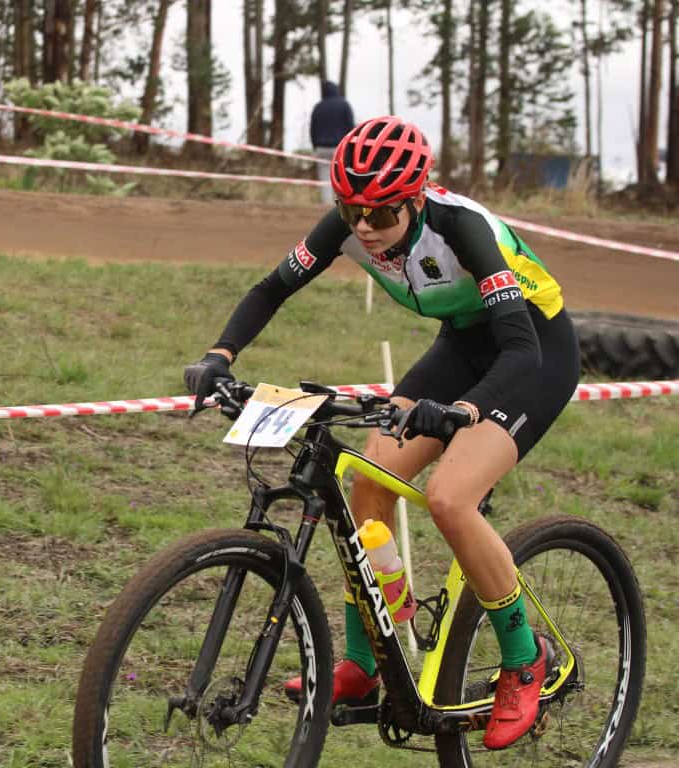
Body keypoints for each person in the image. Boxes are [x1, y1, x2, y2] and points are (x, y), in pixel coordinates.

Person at [183, 116, 580, 751]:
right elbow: (271, 288)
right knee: (368, 482)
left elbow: (521, 351)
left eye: (382, 213)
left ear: (416, 200)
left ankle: (523, 657)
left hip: (531, 349)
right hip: (462, 344)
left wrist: (464, 411)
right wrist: (219, 356)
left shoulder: (463, 230)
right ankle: (367, 663)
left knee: (450, 497)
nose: (365, 227)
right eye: (352, 210)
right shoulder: (348, 224)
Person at [309, 80, 354, 204]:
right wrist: (350, 147)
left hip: (321, 148)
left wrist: (315, 146)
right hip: (340, 148)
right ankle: (340, 206)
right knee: (341, 178)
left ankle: (326, 205)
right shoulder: (344, 105)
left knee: (325, 179)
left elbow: (312, 129)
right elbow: (350, 127)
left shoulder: (318, 107)